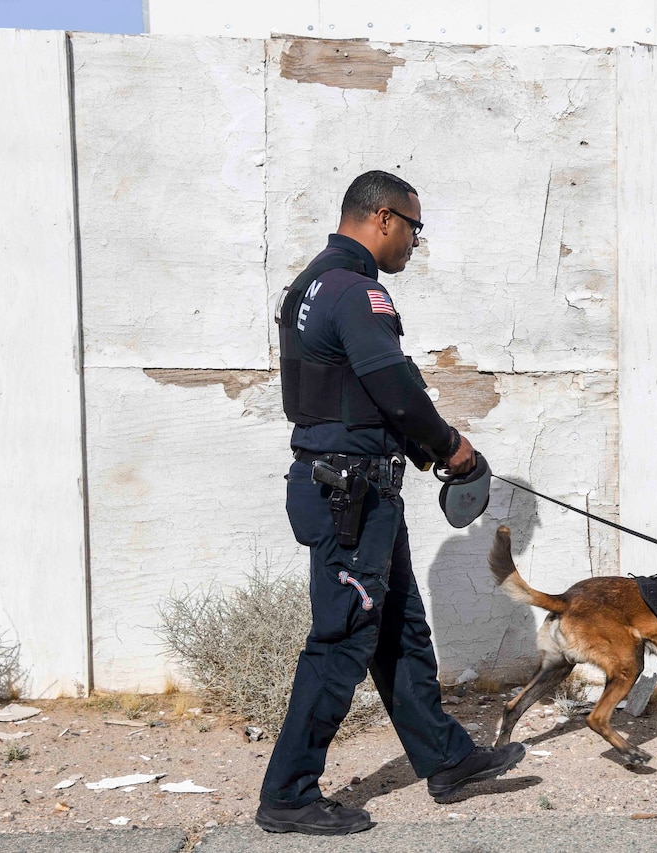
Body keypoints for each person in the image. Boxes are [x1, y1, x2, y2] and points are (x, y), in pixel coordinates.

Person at [256, 170, 525, 836]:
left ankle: (446, 757)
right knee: (342, 640)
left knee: (399, 627)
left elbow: (355, 395)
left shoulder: (309, 285)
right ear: (382, 218)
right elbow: (394, 388)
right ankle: (288, 793)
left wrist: (418, 451)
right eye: (413, 226)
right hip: (351, 495)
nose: (414, 242)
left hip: (354, 488)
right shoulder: (357, 290)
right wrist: (452, 447)